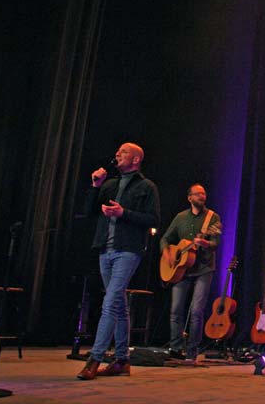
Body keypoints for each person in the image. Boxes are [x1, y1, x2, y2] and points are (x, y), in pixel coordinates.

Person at [77, 143, 160, 380]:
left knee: (111, 302)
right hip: (105, 248)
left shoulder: (147, 186)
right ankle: (122, 360)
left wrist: (124, 213)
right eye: (118, 151)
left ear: (135, 160)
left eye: (123, 152)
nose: (117, 154)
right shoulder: (110, 184)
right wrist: (95, 186)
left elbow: (153, 219)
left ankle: (95, 358)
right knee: (119, 304)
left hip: (128, 250)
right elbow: (88, 211)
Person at [160, 183, 221, 360]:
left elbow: (215, 244)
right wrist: (167, 253)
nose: (202, 196)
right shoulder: (180, 218)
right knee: (176, 310)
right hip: (181, 270)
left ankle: (193, 351)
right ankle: (176, 348)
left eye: (204, 193)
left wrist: (205, 243)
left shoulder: (212, 217)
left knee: (196, 311)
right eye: (198, 194)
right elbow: (165, 239)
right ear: (190, 198)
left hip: (204, 268)